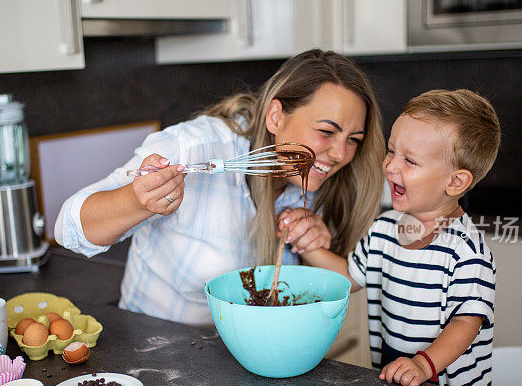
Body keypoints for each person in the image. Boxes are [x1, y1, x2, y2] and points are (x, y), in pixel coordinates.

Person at [55, 49, 385, 326]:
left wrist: (316, 246)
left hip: (243, 366)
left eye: (353, 140)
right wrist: (138, 200)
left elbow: (329, 283)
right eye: (327, 131)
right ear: (275, 117)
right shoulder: (194, 148)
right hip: (155, 354)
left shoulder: (321, 185)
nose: (341, 153)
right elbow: (68, 229)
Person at [292, 89, 499, 386]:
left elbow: (466, 323)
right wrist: (308, 243)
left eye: (410, 161)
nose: (390, 167)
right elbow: (349, 277)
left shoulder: (466, 251)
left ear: (455, 182)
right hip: (398, 385)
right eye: (391, 151)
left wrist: (423, 364)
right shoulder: (384, 229)